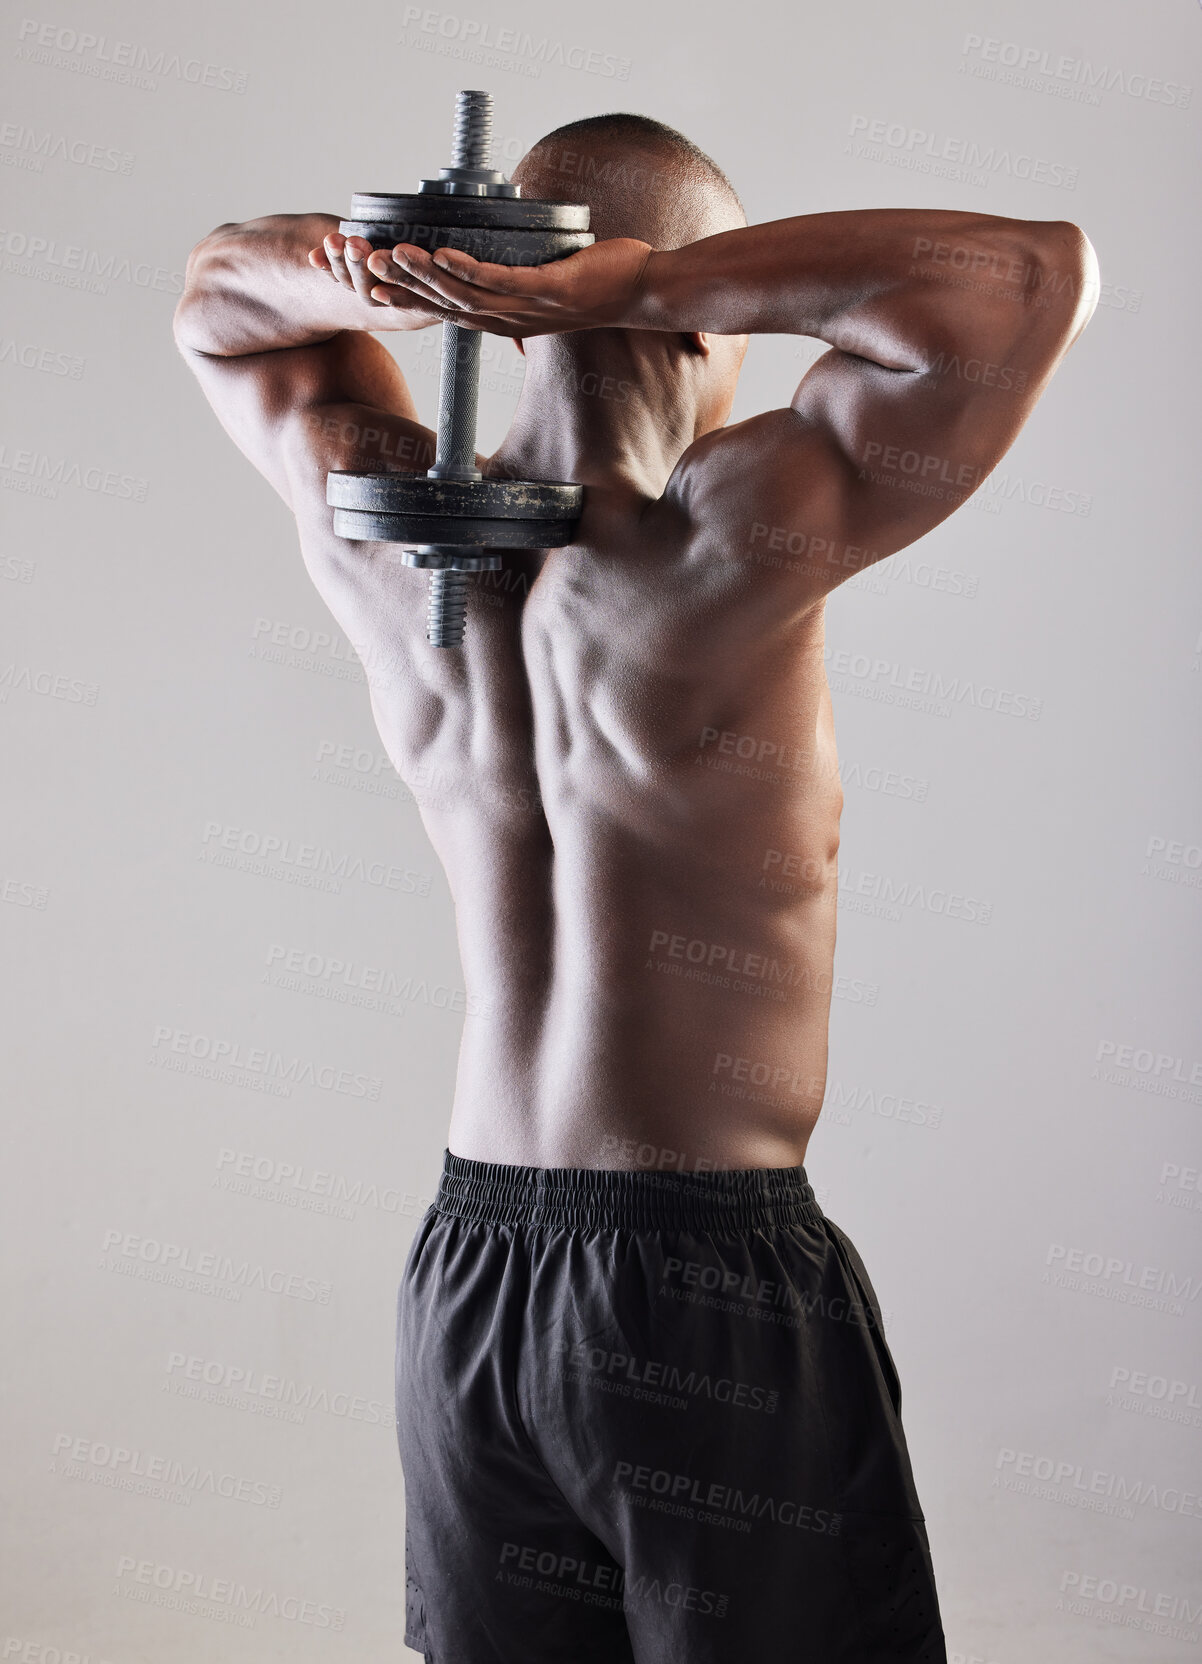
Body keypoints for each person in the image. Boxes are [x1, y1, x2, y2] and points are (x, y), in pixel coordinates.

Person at [175, 110, 1096, 1664]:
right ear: (689, 320)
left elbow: (218, 305)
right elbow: (1024, 276)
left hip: (469, 1281)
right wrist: (637, 280)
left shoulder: (400, 538)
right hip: (700, 1278)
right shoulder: (733, 534)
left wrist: (392, 278)